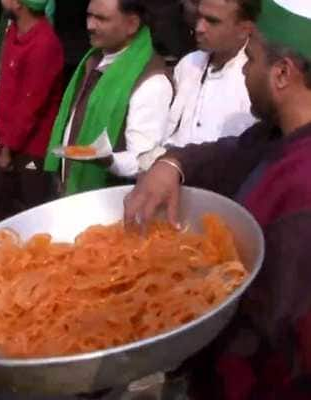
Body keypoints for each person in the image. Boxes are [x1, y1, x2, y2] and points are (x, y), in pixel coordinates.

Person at [123, 1, 311, 397]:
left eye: (253, 58)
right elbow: (228, 152)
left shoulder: (302, 184)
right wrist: (171, 164)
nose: (243, 68)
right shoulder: (273, 136)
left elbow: (280, 328)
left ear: (282, 74)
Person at [44, 0, 173, 196]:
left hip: (108, 202)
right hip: (72, 191)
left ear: (132, 24)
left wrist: (107, 159)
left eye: (101, 19)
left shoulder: (151, 82)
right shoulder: (94, 58)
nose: (90, 26)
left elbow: (143, 161)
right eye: (89, 16)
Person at [139, 0, 260, 171]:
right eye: (199, 17)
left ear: (244, 30)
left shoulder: (257, 80)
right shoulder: (189, 63)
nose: (199, 28)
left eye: (212, 21)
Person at [0, 0, 64, 221]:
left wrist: (7, 150)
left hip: (30, 148)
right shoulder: (14, 31)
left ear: (20, 4)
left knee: (29, 215)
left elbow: (31, 106)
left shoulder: (44, 44)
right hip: (7, 140)